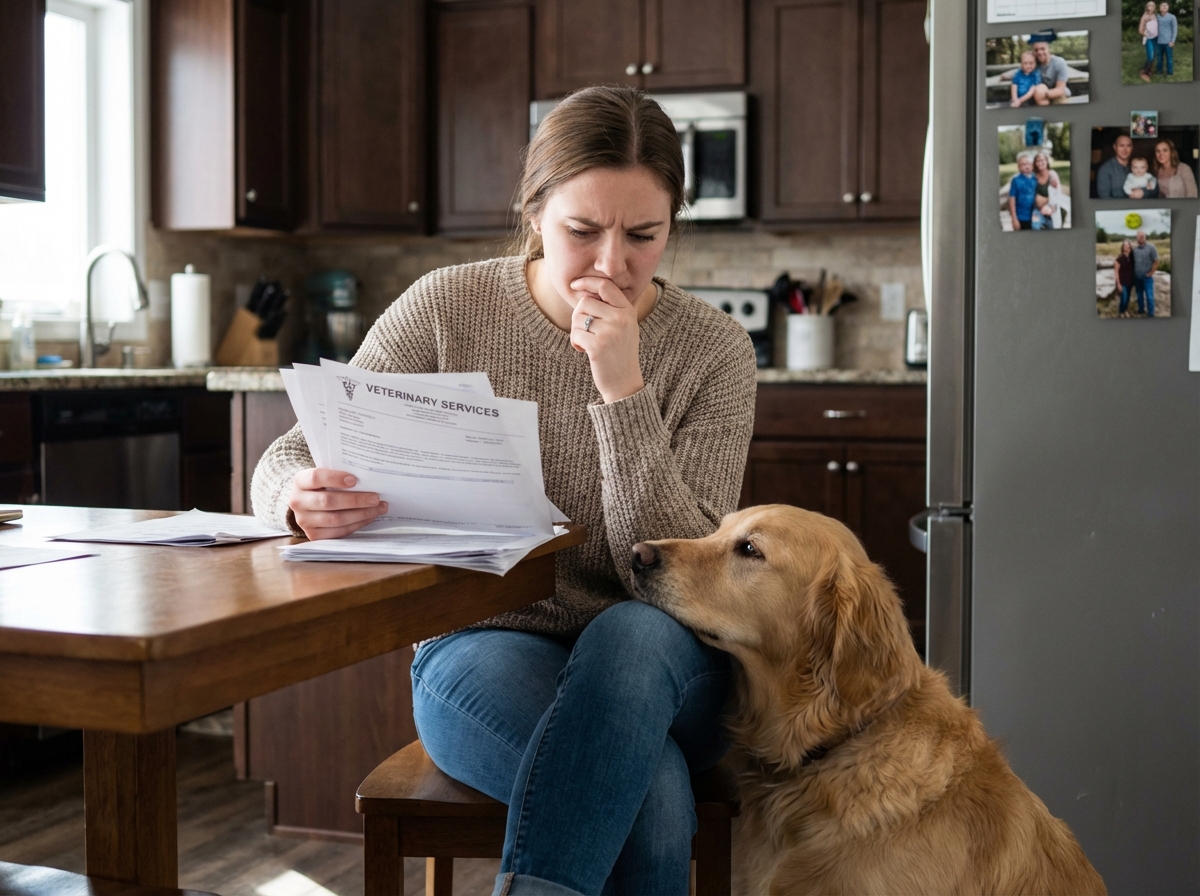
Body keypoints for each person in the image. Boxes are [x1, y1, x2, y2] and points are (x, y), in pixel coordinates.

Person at [251, 86, 757, 896]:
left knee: (628, 635)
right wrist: (295, 496)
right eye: (582, 232)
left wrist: (622, 392)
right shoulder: (449, 307)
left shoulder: (715, 351)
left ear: (674, 226)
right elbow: (288, 451)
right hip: (482, 639)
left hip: (664, 662)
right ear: (533, 214)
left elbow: (679, 584)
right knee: (653, 795)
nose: (609, 264)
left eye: (643, 236)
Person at [1095, 134, 1142, 198]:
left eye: (1128, 146)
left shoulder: (1139, 164)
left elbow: (1152, 188)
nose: (1125, 149)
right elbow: (1104, 198)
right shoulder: (1105, 169)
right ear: (1115, 147)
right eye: (1121, 146)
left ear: (1132, 148)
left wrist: (1143, 192)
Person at [1029, 37, 1071, 104]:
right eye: (1036, 50)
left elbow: (1060, 90)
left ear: (1048, 49)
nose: (1039, 52)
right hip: (1040, 97)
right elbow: (1018, 71)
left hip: (1058, 95)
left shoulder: (1059, 62)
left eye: (1042, 49)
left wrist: (1043, 94)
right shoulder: (1032, 63)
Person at [1007, 152, 1039, 231]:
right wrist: (1014, 219)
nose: (1027, 166)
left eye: (1028, 164)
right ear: (1018, 167)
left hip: (1035, 216)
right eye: (1023, 164)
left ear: (1032, 165)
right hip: (1021, 217)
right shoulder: (1016, 180)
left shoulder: (1036, 178)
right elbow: (1012, 199)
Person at [1131, 229, 1159, 317]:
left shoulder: (1151, 248)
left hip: (1147, 277)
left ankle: (1151, 314)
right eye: (1139, 237)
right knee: (1139, 296)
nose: (1141, 239)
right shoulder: (1134, 250)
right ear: (1136, 238)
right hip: (1137, 277)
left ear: (1145, 237)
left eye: (1142, 237)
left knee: (1149, 296)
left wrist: (1151, 272)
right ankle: (1141, 310)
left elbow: (1156, 261)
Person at [1032, 151, 1063, 229]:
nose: (1040, 163)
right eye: (1038, 161)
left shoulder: (1052, 174)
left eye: (1042, 160)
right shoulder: (1033, 176)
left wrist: (1051, 208)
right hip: (1037, 210)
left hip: (1051, 209)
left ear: (1047, 161)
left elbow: (1058, 195)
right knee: (1035, 225)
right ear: (1035, 163)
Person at [1139, 2, 1159, 82]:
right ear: (1147, 7)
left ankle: (1145, 69)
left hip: (1156, 39)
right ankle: (1145, 73)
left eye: (1153, 5)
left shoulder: (1155, 16)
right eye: (1150, 5)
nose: (1152, 6)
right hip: (1149, 39)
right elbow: (1140, 30)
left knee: (1153, 56)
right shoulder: (1144, 17)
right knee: (1151, 56)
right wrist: (1147, 34)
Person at [1156, 2, 1178, 77]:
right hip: (1158, 42)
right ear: (1159, 8)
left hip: (1168, 42)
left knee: (1169, 58)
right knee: (1159, 58)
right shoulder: (1157, 17)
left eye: (1166, 5)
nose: (1164, 6)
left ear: (1168, 8)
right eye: (1162, 5)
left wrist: (1173, 41)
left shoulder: (1172, 17)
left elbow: (1175, 30)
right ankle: (1159, 71)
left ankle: (1170, 73)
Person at [1115, 240, 1135, 317]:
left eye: (1128, 245)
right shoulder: (1119, 259)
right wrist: (1118, 284)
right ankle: (1121, 311)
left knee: (1127, 298)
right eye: (1124, 245)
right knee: (1124, 297)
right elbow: (1116, 272)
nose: (1126, 247)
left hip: (1130, 281)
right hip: (1122, 282)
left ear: (1130, 246)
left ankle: (1125, 310)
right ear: (1122, 247)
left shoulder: (1131, 257)